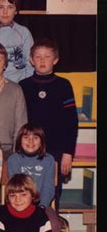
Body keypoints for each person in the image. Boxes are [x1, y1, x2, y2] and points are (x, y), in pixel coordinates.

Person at [19, 38, 78, 208]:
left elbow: (71, 122)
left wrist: (68, 153)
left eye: (47, 56)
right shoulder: (23, 86)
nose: (42, 60)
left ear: (56, 60)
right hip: (28, 149)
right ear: (31, 60)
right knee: (26, 190)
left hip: (56, 150)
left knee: (52, 190)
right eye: (38, 57)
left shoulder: (63, 85)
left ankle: (50, 230)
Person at [8, 124, 63, 232]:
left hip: (41, 205)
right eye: (26, 137)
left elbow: (48, 188)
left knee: (53, 224)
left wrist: (42, 206)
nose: (31, 141)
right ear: (19, 140)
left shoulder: (49, 160)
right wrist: (25, 207)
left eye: (36, 138)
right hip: (18, 204)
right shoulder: (14, 159)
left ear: (41, 142)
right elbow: (16, 188)